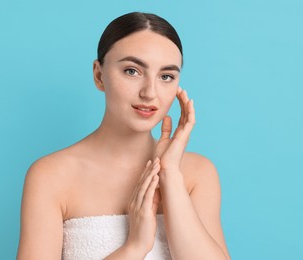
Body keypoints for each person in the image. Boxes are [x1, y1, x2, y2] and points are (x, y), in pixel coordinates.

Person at [17, 12, 230, 260]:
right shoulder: (52, 175)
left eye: (166, 76)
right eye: (132, 71)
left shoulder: (197, 174)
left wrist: (170, 176)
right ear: (99, 75)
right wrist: (135, 247)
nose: (150, 92)